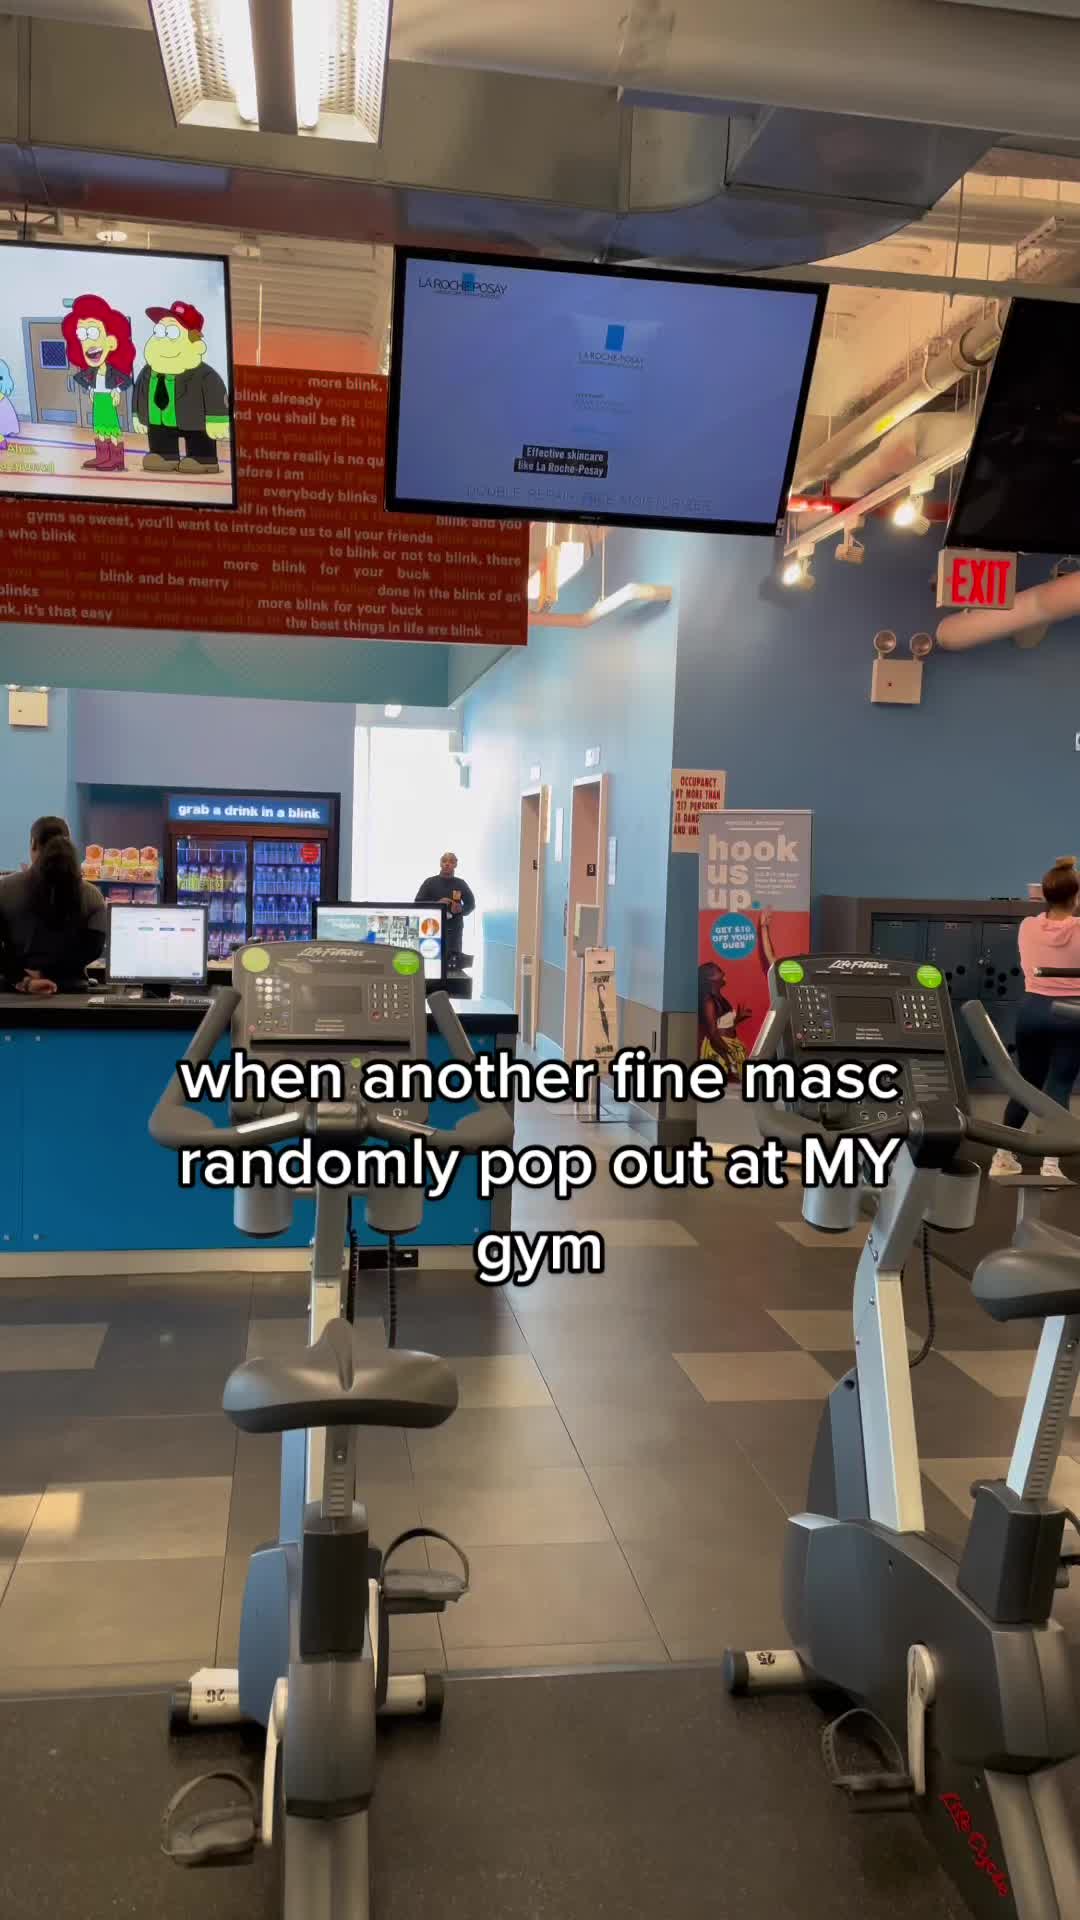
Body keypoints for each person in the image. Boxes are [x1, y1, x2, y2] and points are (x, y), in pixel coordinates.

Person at [990, 856, 1080, 1180]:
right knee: (1059, 1086)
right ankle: (1051, 1165)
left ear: (1044, 894)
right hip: (1071, 1013)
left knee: (1025, 1083)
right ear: (1075, 896)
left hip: (1032, 1011)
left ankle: (1002, 1157)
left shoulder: (1028, 926)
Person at [0, 818, 106, 994]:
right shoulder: (93, 896)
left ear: (33, 844)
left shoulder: (4, 889)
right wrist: (49, 972)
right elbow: (93, 949)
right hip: (71, 994)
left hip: (14, 995)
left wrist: (25, 980)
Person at [132, 300, 231, 475]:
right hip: (159, 421)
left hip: (194, 421)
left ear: (195, 342)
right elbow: (140, 392)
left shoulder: (204, 375)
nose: (162, 340)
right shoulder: (148, 371)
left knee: (199, 436)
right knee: (159, 433)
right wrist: (138, 415)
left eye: (171, 333)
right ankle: (164, 455)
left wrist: (217, 420)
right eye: (159, 332)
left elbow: (215, 393)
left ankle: (203, 458)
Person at [60, 294, 136, 474]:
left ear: (111, 341)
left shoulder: (113, 370)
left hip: (108, 401)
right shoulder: (91, 372)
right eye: (82, 335)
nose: (88, 342)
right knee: (100, 428)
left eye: (93, 332)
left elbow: (127, 380)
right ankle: (103, 456)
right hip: (99, 401)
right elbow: (79, 378)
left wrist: (116, 390)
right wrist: (91, 389)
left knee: (112, 429)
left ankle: (116, 459)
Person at [415, 853, 475, 970]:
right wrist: (436, 904)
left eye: (451, 861)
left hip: (454, 932)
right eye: (444, 861)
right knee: (431, 965)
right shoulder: (430, 882)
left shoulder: (461, 884)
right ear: (440, 863)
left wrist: (460, 909)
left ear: (456, 864)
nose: (447, 864)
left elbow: (471, 905)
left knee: (452, 967)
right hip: (431, 929)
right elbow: (417, 903)